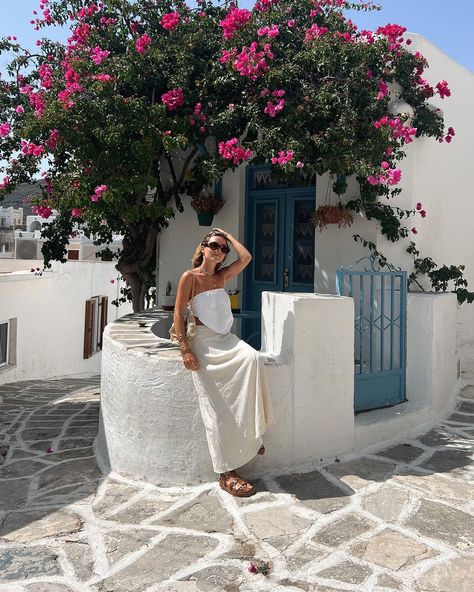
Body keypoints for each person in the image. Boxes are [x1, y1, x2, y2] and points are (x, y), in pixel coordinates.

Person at [173, 228, 273, 497]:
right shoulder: (189, 277)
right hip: (203, 341)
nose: (218, 251)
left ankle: (253, 435)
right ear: (203, 248)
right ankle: (226, 472)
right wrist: (185, 350)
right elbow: (178, 314)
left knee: (253, 358)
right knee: (215, 404)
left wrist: (226, 234)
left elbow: (247, 257)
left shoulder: (222, 276)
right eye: (214, 246)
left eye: (222, 248)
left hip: (226, 339)